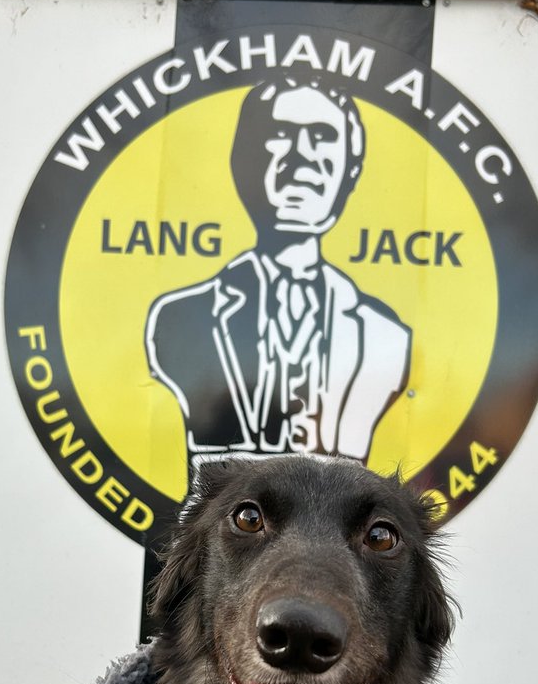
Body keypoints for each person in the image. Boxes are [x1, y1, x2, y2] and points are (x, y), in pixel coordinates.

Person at [145, 78, 410, 463]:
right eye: (281, 135)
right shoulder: (179, 316)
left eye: (321, 137)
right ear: (244, 163)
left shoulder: (383, 333)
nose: (301, 156)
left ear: (351, 171)